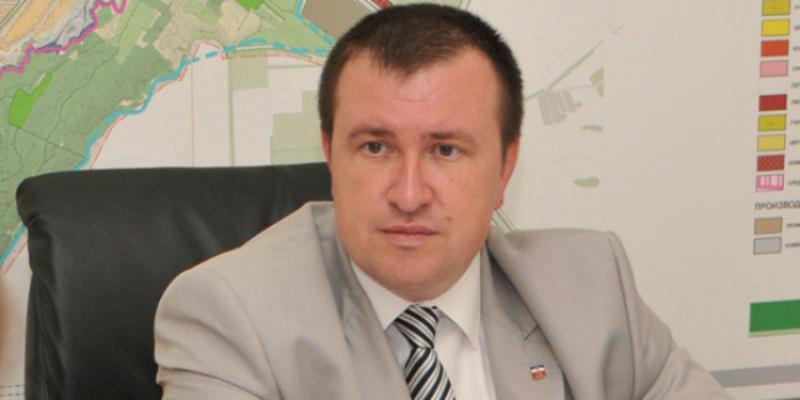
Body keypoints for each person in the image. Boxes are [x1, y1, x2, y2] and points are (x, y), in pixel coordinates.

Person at [154, 4, 731, 399]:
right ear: (331, 155)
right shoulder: (230, 316)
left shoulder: (591, 285)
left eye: (446, 150)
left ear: (505, 167)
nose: (408, 195)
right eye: (376, 147)